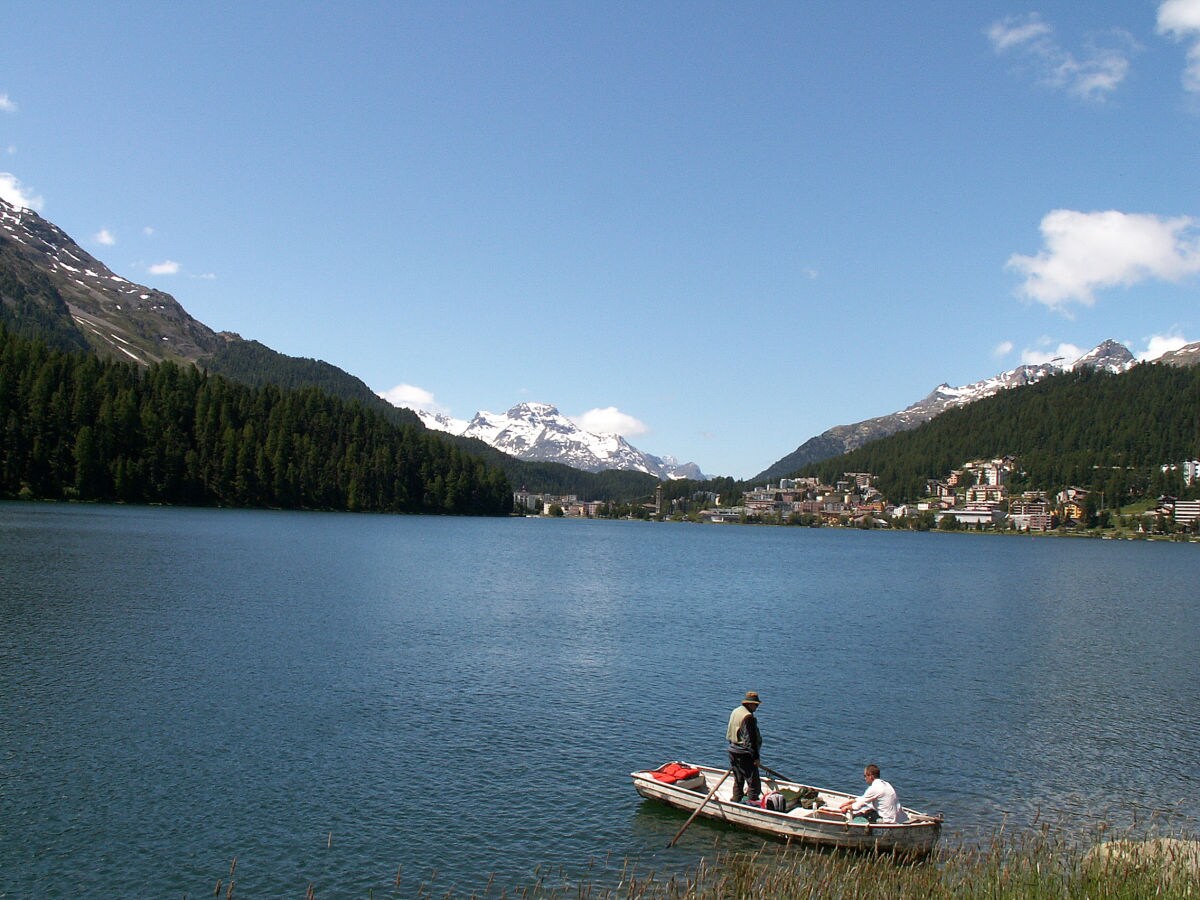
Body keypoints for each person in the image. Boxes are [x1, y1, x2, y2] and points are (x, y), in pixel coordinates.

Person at [837, 764, 908, 823]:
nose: (864, 778)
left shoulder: (874, 788)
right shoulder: (886, 784)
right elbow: (865, 798)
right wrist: (850, 801)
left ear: (870, 776)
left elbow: (857, 806)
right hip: (899, 818)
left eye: (865, 776)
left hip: (888, 821)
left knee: (858, 818)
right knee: (868, 811)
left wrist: (846, 808)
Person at [726, 690, 763, 804]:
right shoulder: (748, 717)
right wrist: (756, 758)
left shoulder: (736, 711)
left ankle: (736, 800)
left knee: (738, 779)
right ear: (750, 704)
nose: (757, 707)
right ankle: (752, 805)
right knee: (753, 783)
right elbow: (750, 740)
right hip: (744, 754)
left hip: (733, 751)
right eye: (755, 705)